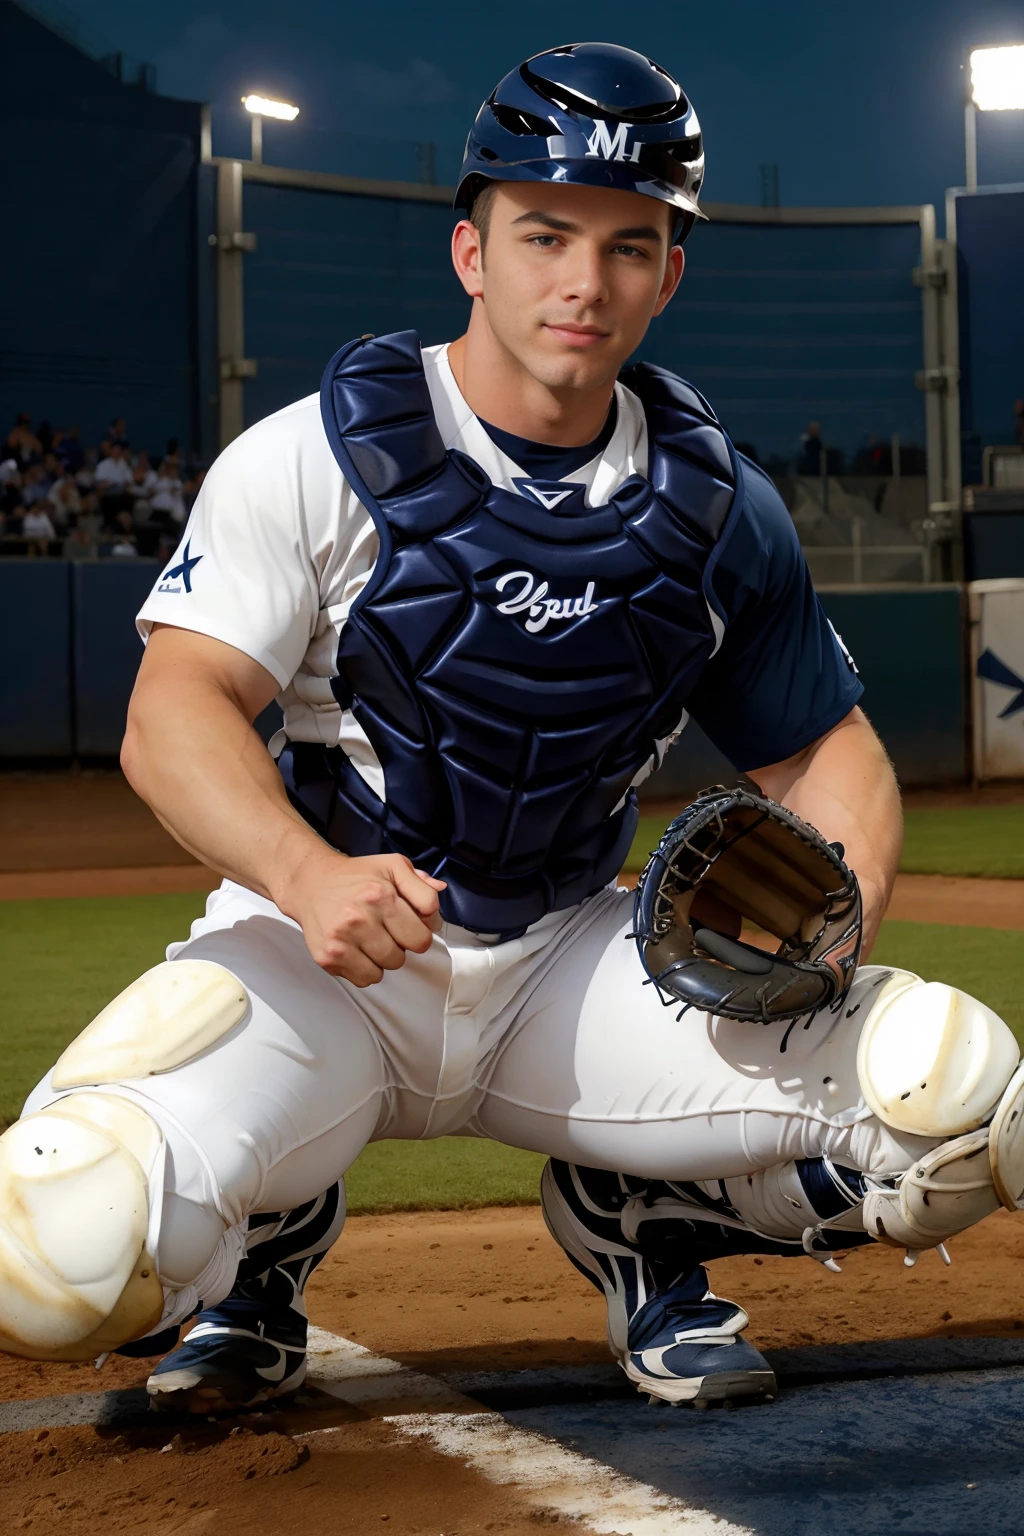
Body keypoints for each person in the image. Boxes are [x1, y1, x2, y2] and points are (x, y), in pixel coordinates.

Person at [3, 42, 1012, 1417]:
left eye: (630, 245)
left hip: (567, 965)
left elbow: (829, 754)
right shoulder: (318, 458)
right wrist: (306, 876)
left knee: (961, 1101)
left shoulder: (717, 507)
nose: (584, 283)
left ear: (671, 270)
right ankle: (258, 1249)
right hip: (323, 959)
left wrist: (837, 921)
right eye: (545, 234)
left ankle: (647, 1215)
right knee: (57, 1249)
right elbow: (170, 713)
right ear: (474, 250)